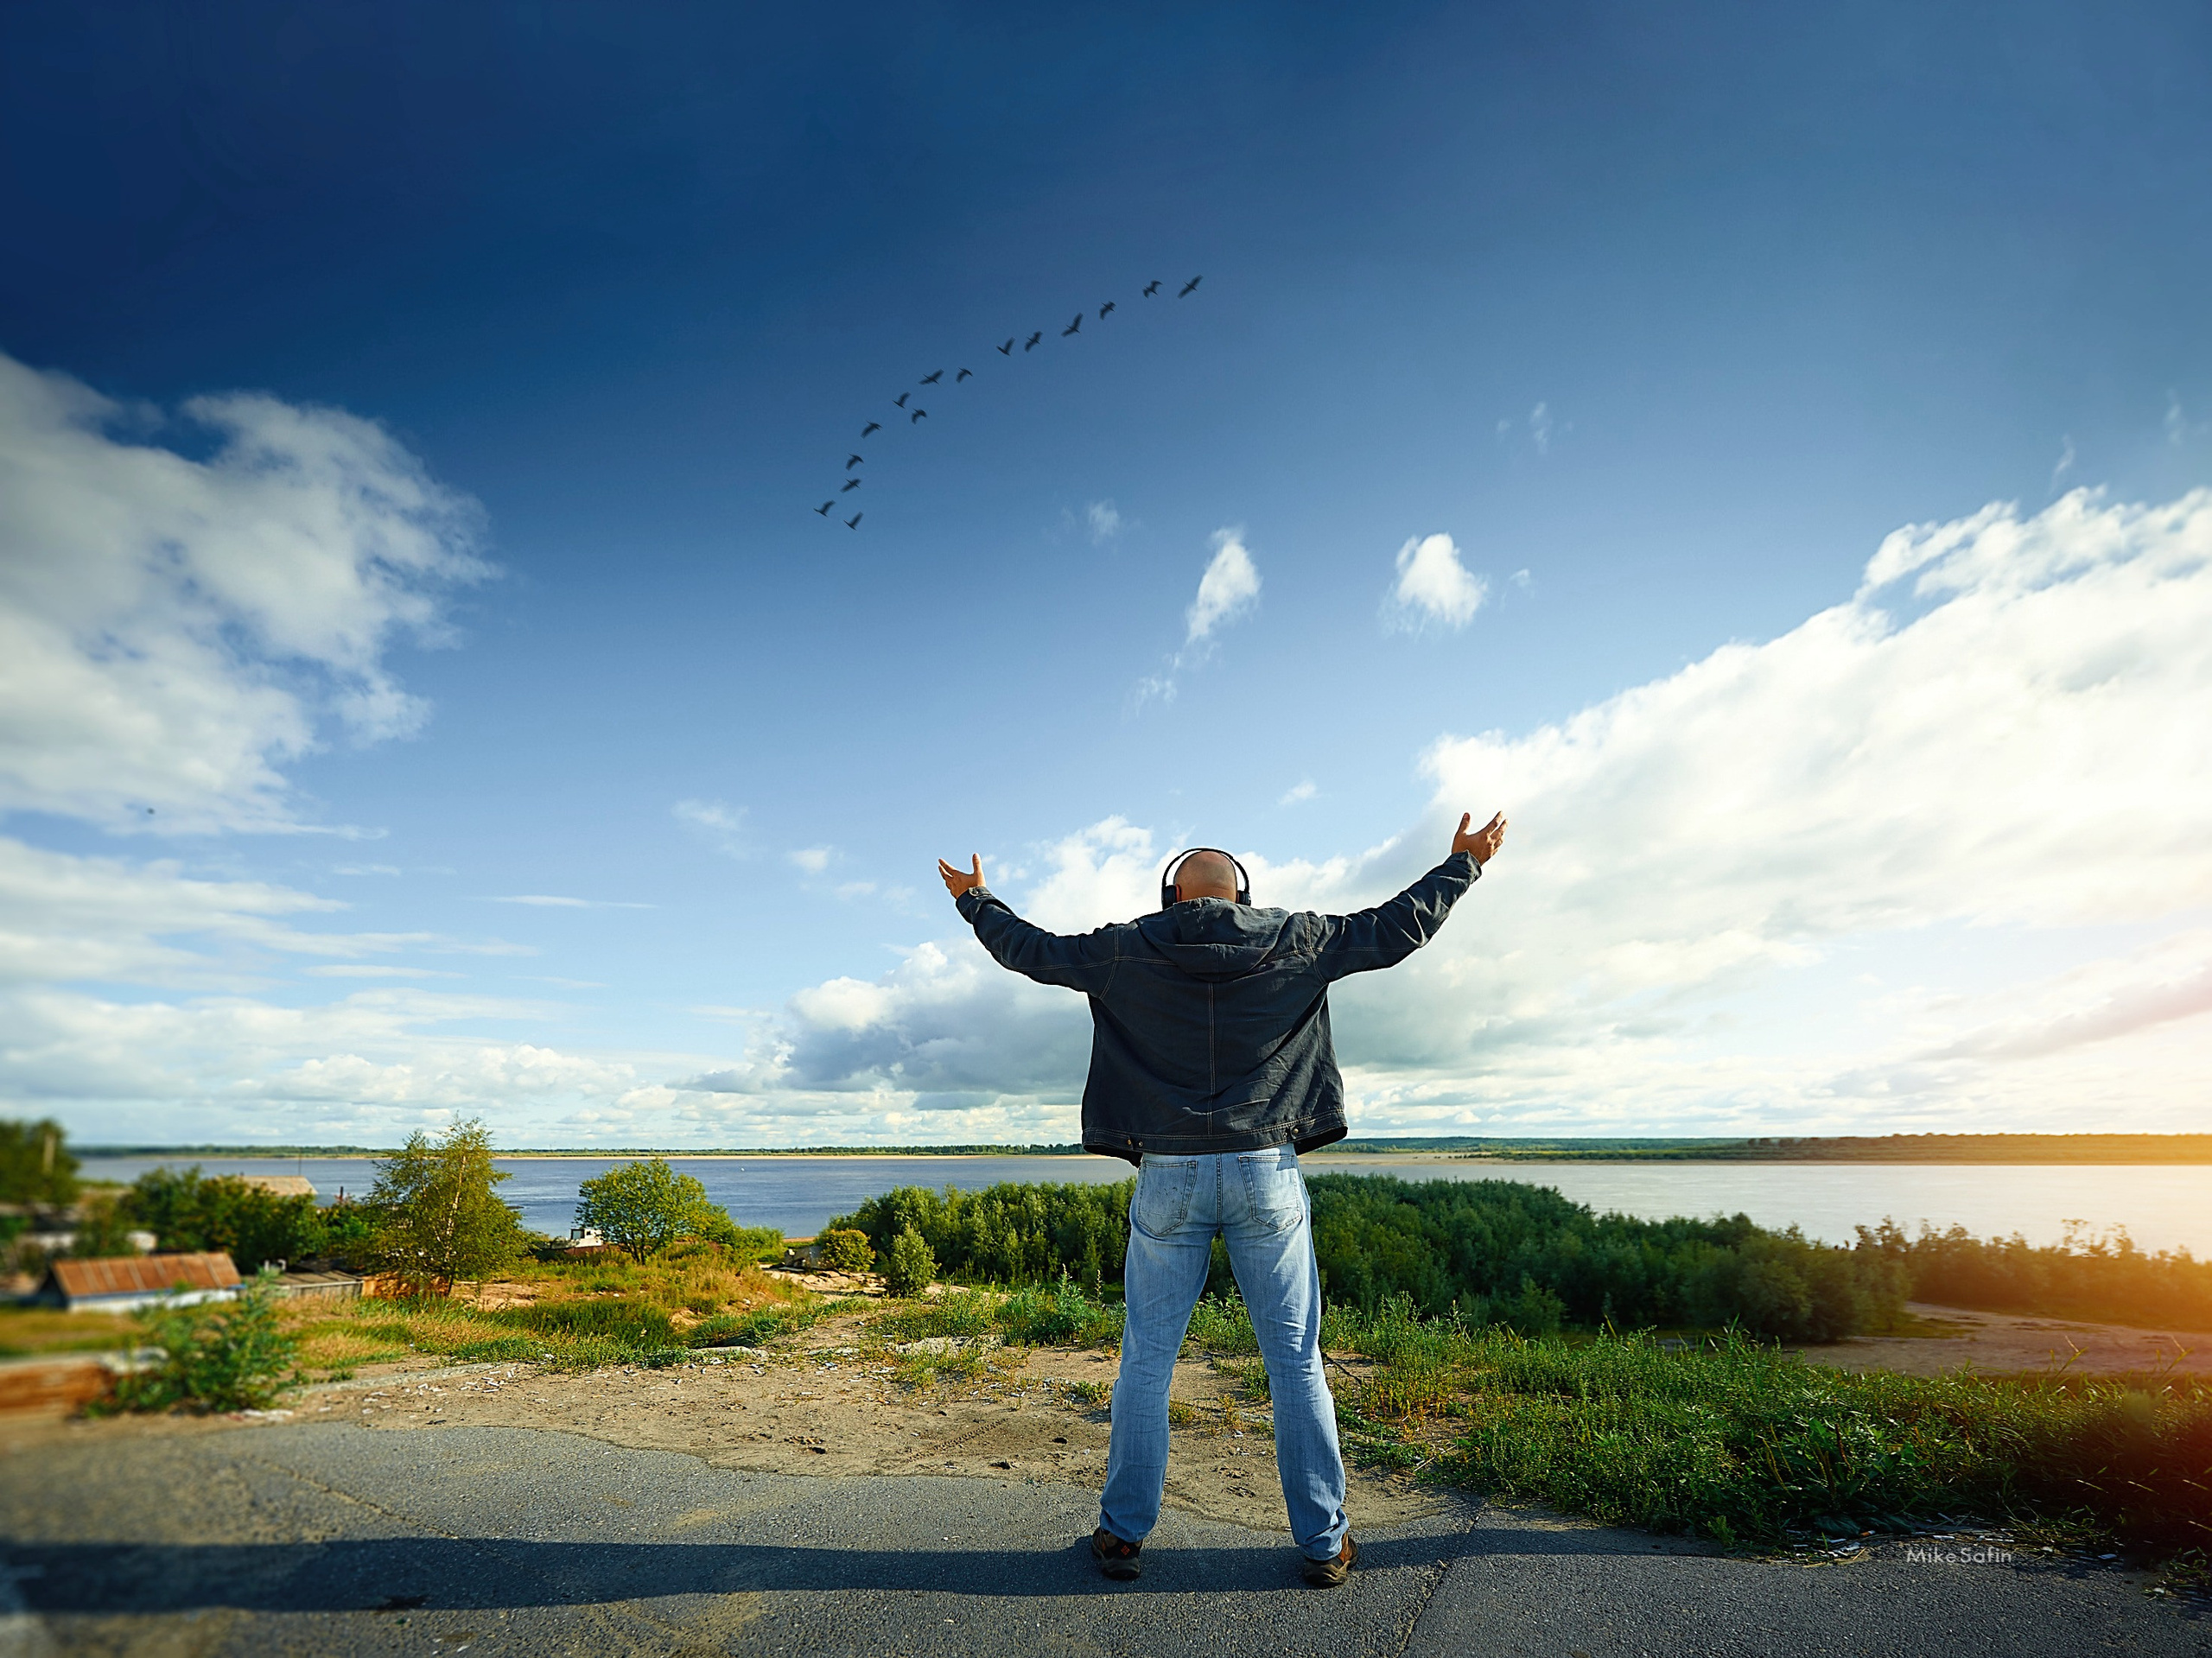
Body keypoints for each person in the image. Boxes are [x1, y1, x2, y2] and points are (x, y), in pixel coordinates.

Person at [936, 810, 1507, 1587]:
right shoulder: (1296, 936)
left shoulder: (1125, 946)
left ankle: (1122, 1534)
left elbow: (1030, 952)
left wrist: (977, 899)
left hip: (1168, 1173)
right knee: (1295, 1363)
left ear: (1173, 894)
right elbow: (1394, 929)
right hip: (1264, 1169)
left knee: (1146, 1360)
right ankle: (1323, 1541)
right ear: (1242, 894)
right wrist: (1462, 866)